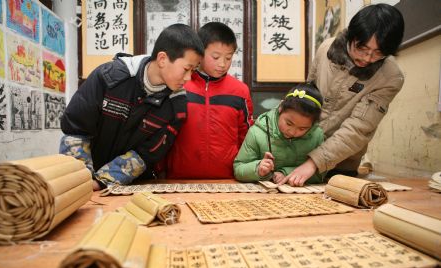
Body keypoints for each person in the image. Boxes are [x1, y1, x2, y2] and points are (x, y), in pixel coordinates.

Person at [60, 24, 204, 190]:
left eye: (193, 71)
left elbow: (145, 154)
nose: (188, 78)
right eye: (186, 69)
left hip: (127, 186)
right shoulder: (110, 78)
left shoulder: (176, 106)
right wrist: (82, 182)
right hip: (82, 180)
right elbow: (76, 131)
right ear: (162, 59)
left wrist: (101, 182)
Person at [279, 3, 405, 187]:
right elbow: (305, 98)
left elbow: (358, 129)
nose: (368, 58)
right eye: (362, 49)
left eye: (378, 53)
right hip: (300, 149)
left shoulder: (390, 77)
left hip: (342, 163)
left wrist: (315, 162)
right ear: (351, 36)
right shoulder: (326, 49)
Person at [165, 22, 254, 179]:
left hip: (227, 180)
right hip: (178, 178)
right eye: (216, 57)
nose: (222, 64)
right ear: (199, 53)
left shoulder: (240, 91)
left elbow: (246, 137)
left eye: (228, 57)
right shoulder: (180, 84)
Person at [234, 83, 325, 184]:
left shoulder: (317, 135)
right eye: (289, 123)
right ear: (280, 108)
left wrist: (286, 173)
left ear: (313, 124)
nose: (292, 132)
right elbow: (239, 168)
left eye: (302, 129)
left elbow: (321, 173)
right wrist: (258, 169)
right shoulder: (257, 132)